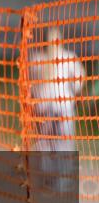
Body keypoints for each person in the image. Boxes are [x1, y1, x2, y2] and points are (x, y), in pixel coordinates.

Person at [26, 26, 85, 193]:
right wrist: (75, 97)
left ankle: (46, 178)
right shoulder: (69, 58)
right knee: (63, 144)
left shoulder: (35, 59)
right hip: (63, 108)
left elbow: (29, 86)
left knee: (44, 143)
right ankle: (61, 180)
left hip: (43, 108)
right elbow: (79, 83)